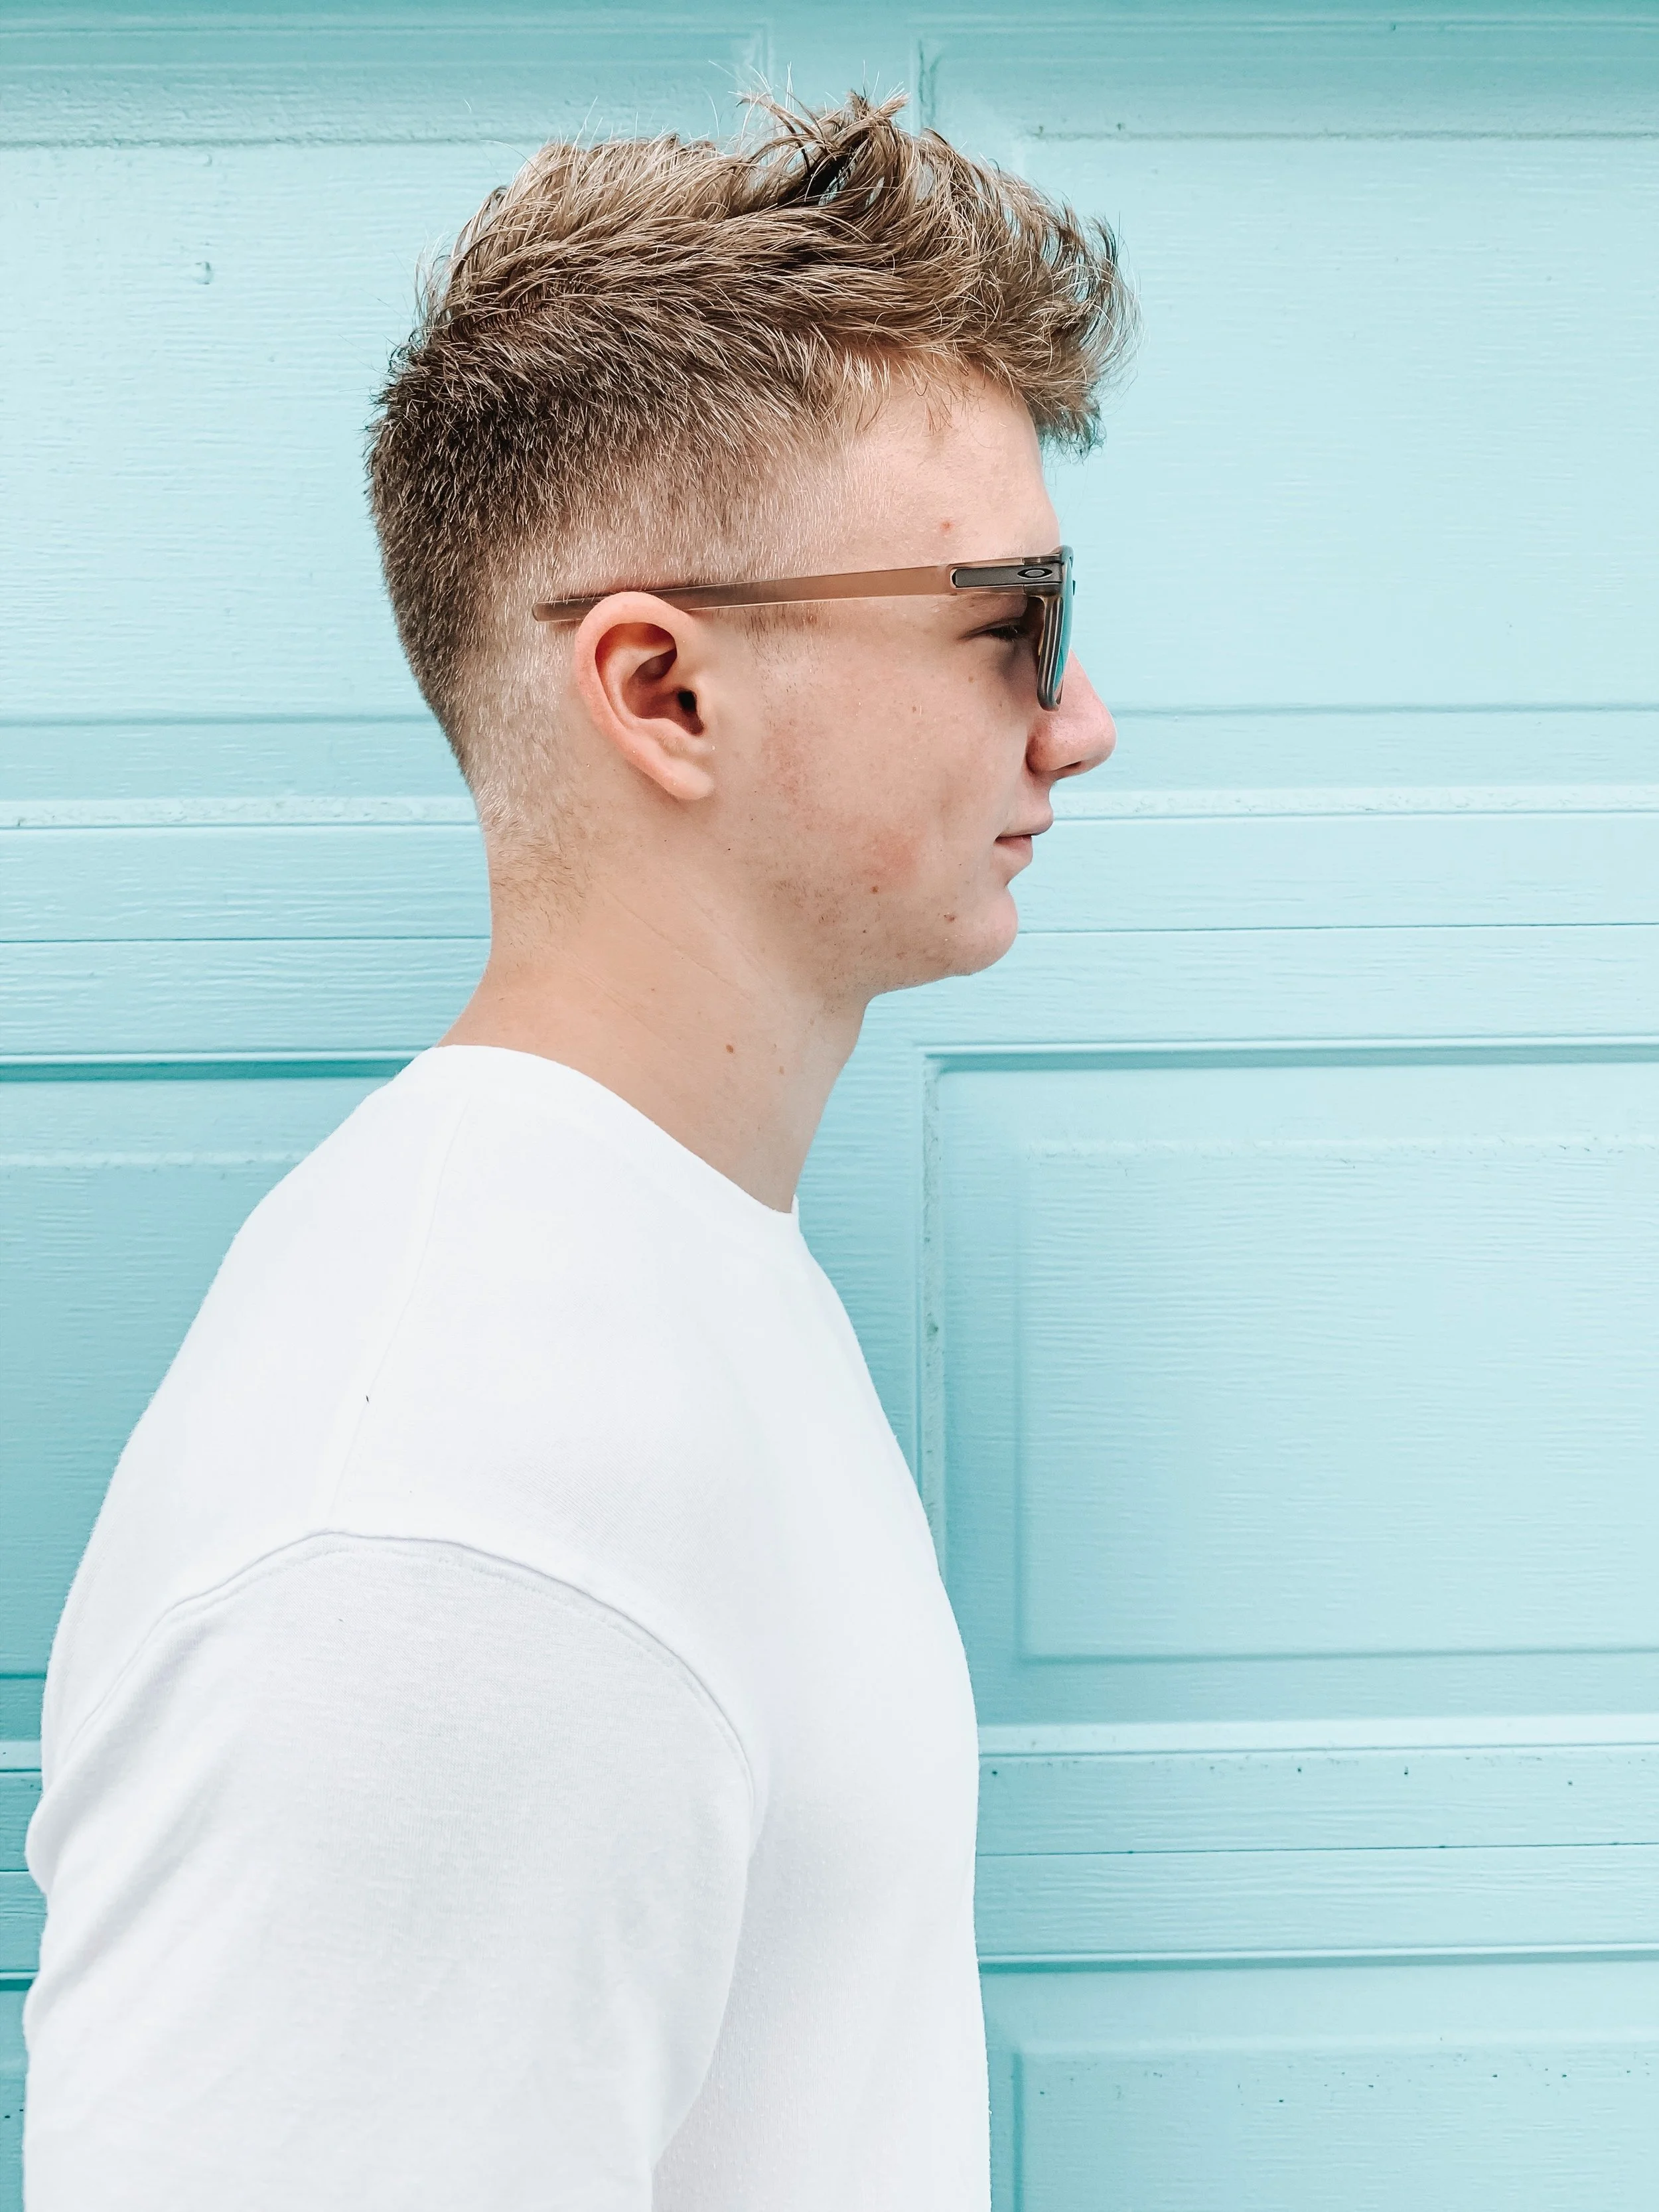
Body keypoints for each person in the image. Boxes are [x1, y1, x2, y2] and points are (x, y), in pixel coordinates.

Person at [22, 90, 1131, 2211]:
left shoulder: (660, 1277)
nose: (1075, 720)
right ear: (663, 689)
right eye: (1012, 620)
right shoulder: (452, 1524)